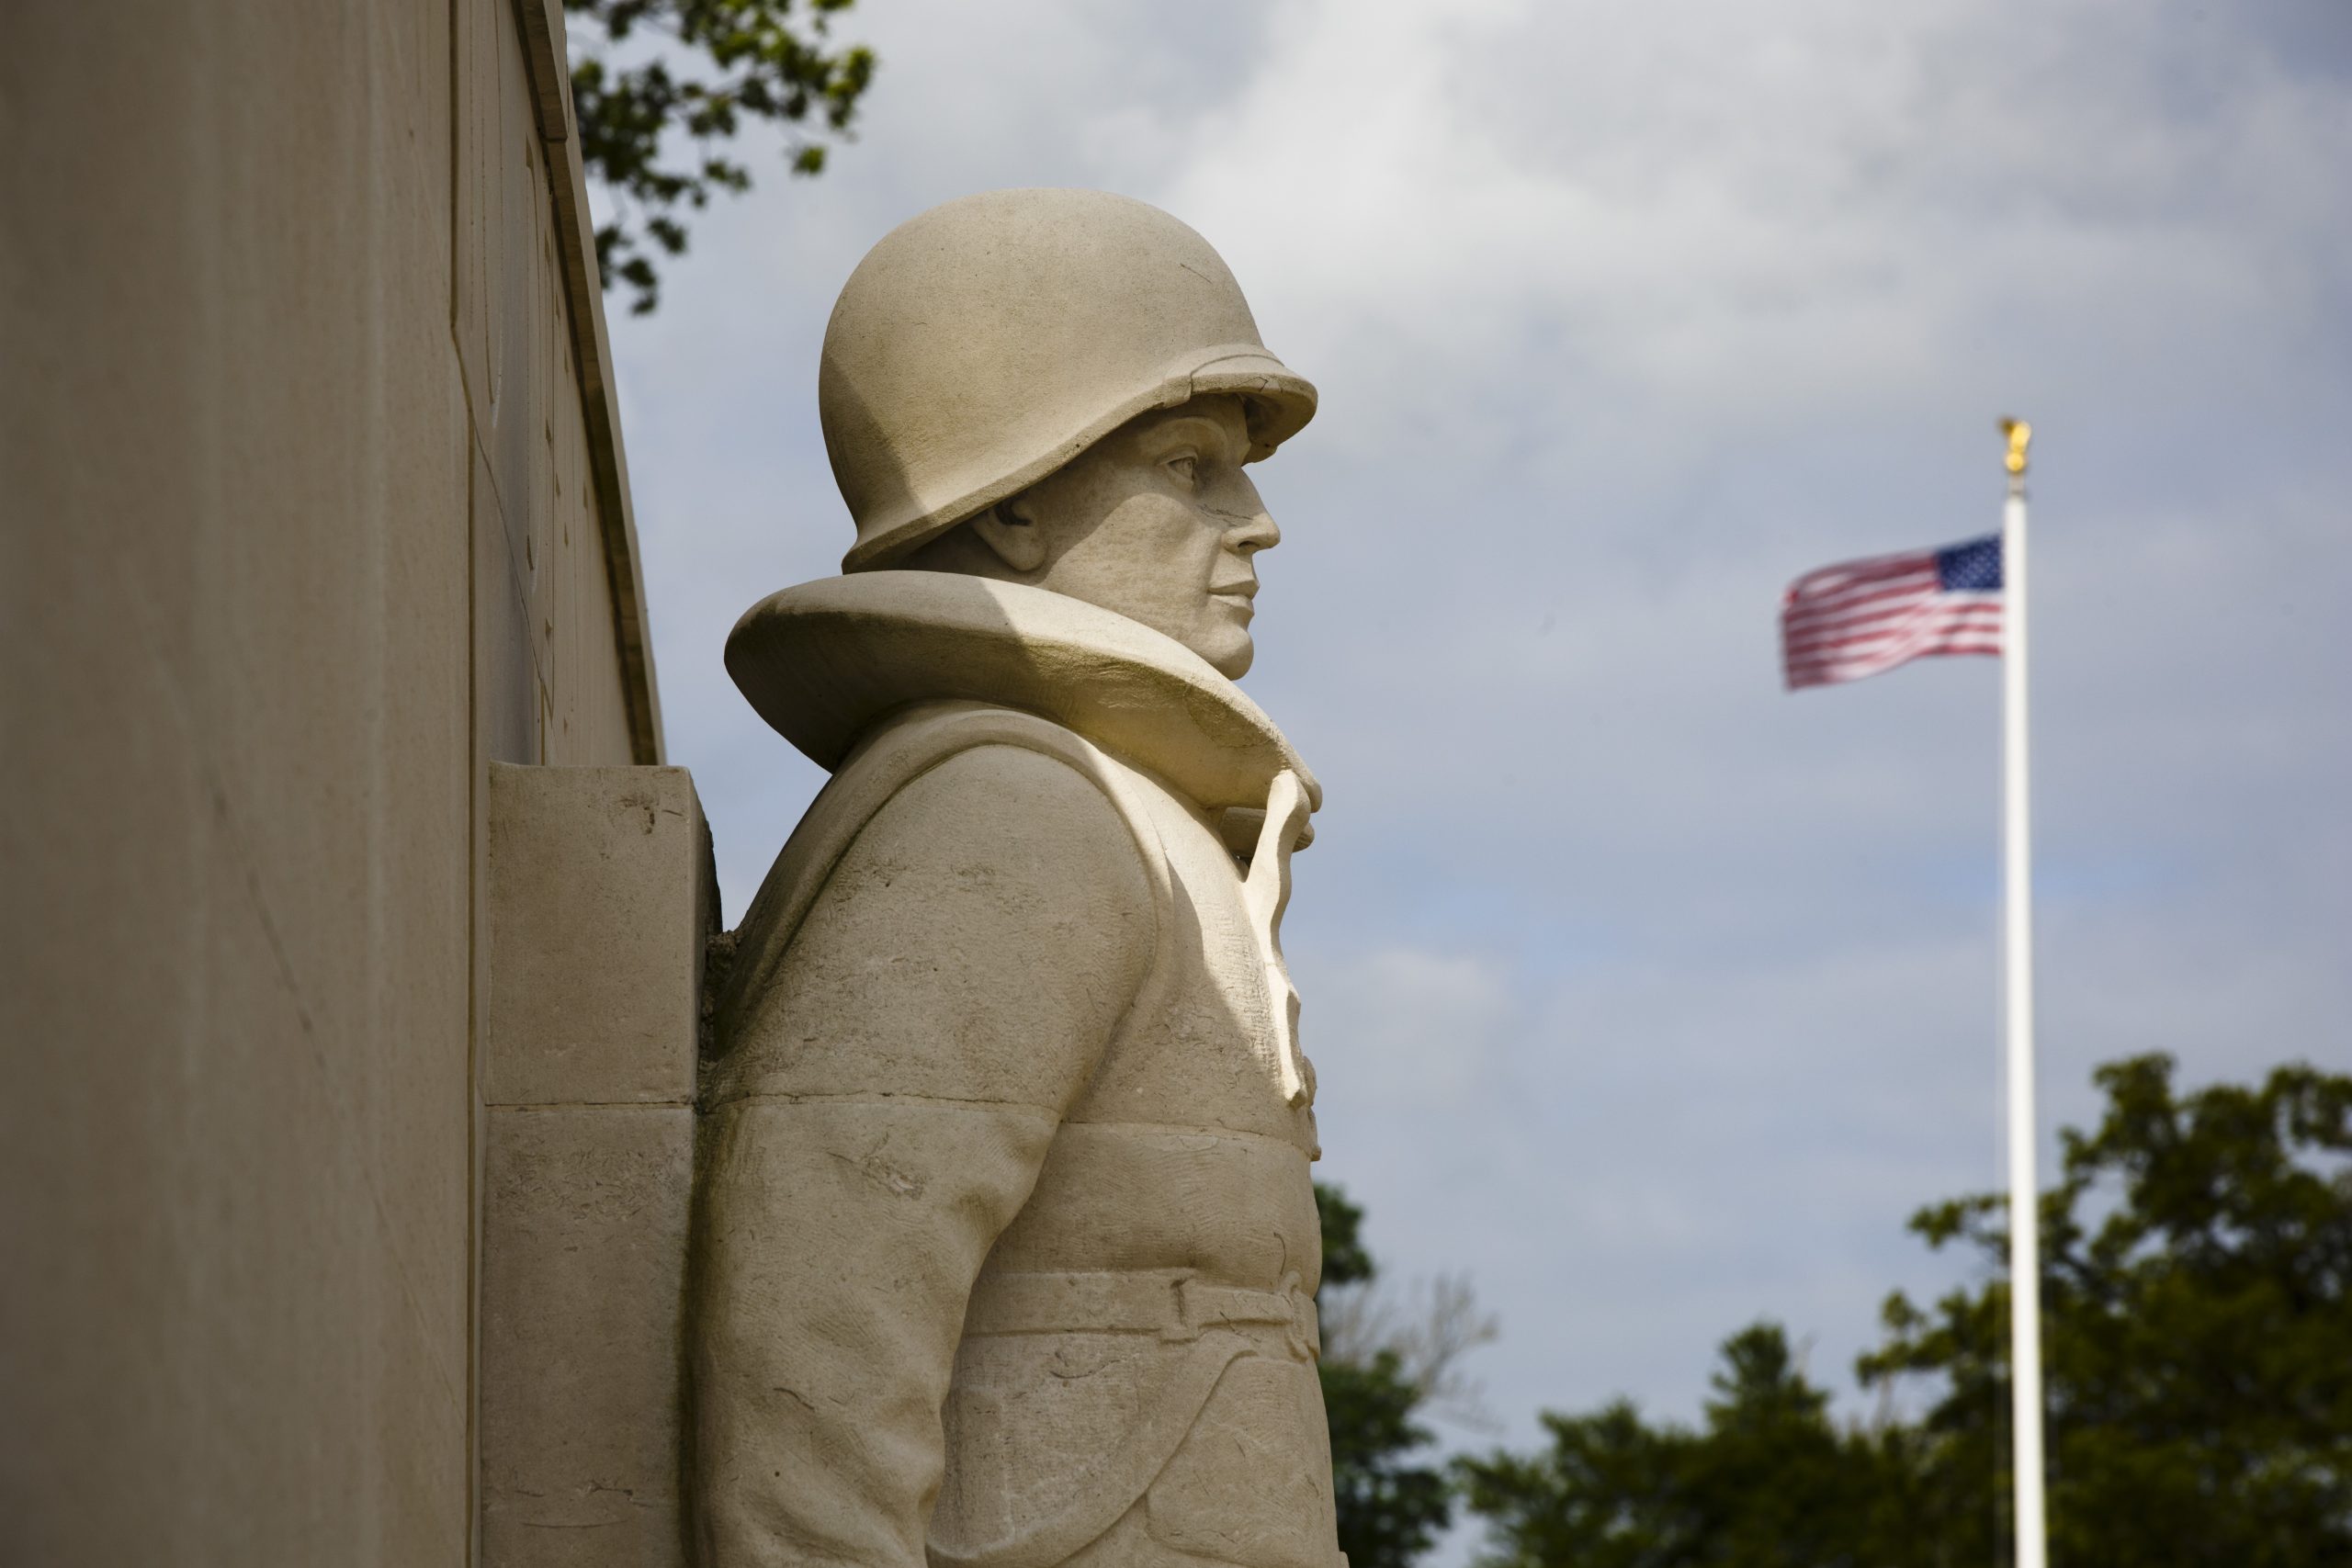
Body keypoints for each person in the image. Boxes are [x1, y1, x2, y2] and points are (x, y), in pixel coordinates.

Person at [693, 188, 1340, 1568]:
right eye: (1190, 465)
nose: (1258, 518)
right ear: (1014, 516)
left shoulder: (1107, 817)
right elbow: (822, 1320)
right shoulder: (1017, 816)